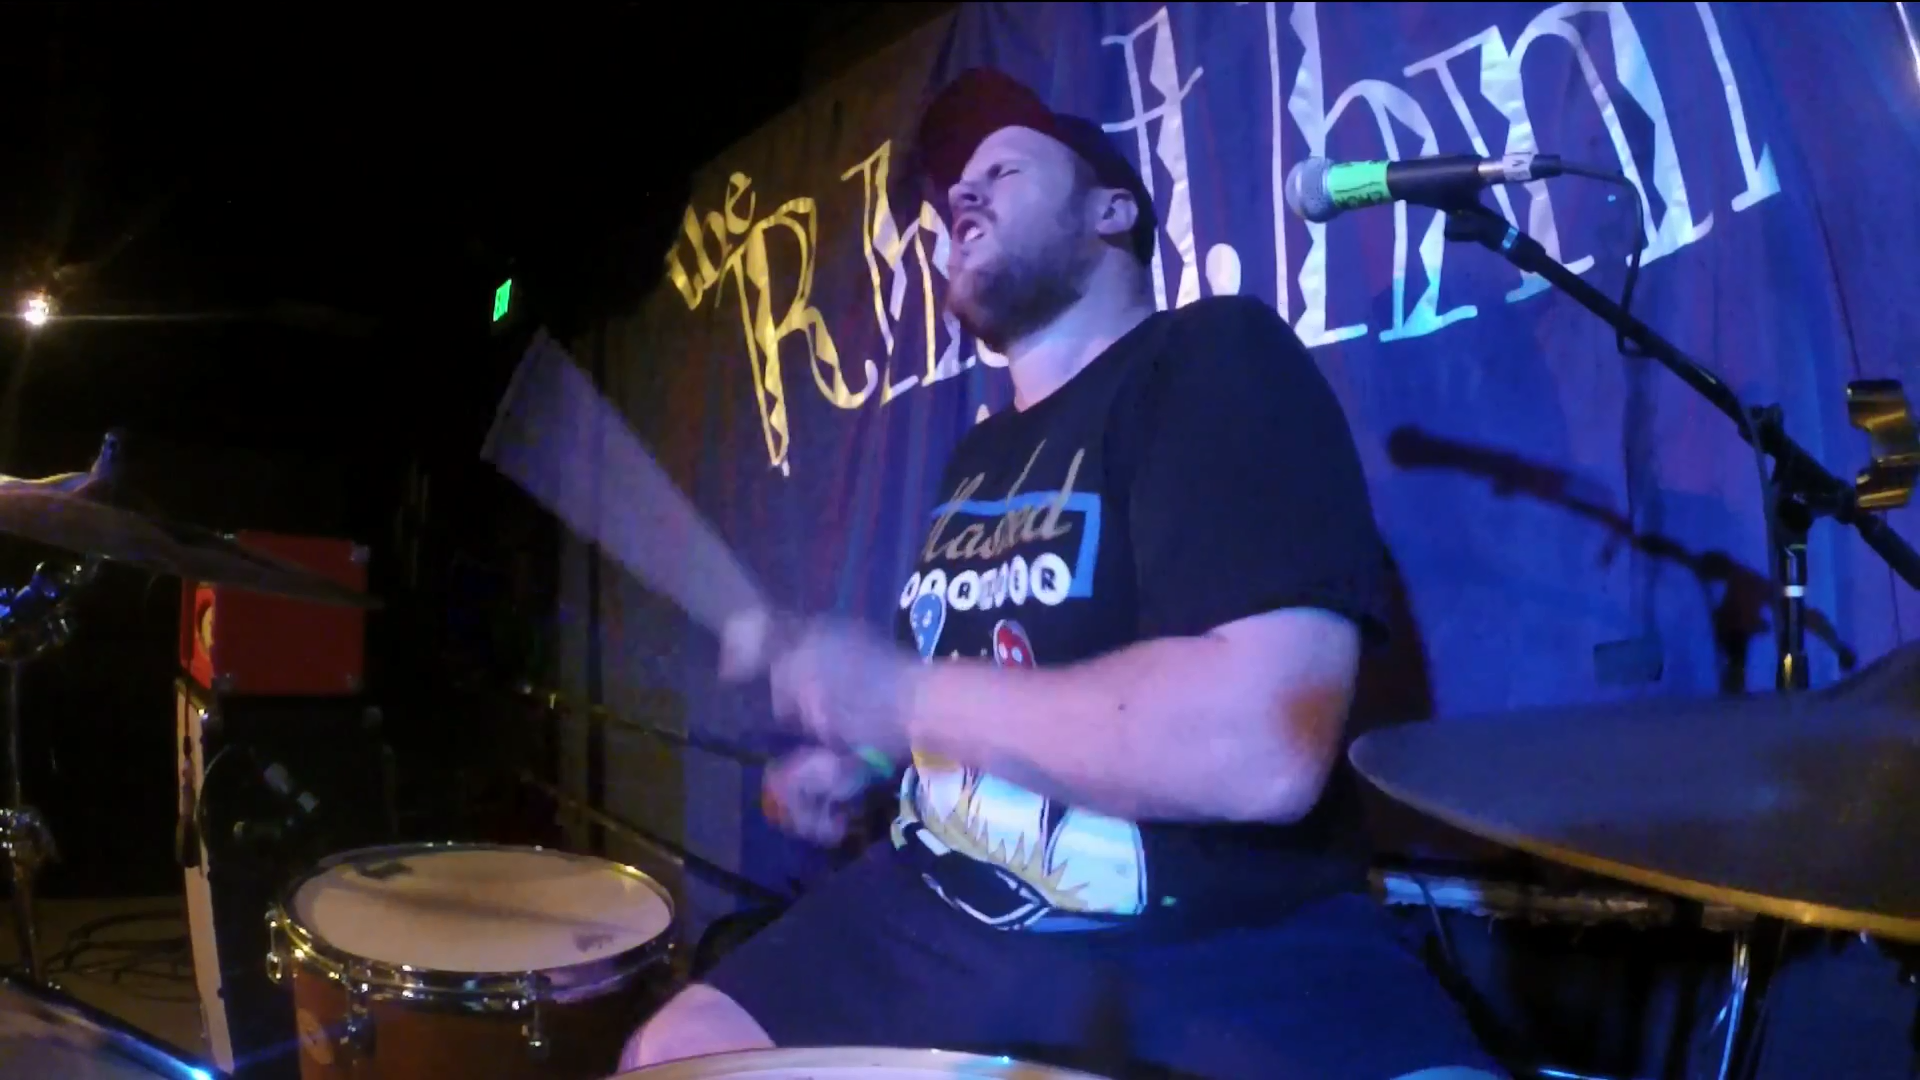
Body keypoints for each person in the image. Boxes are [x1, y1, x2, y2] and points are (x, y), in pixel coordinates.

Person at [619, 68, 1506, 1080]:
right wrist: (866, 760)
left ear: (1111, 209)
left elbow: (1262, 745)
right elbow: (971, 690)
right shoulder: (976, 457)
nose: (964, 193)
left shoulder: (1214, 357)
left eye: (1002, 169)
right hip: (930, 912)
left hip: (1200, 948)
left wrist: (900, 695)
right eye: (955, 190)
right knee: (673, 1049)